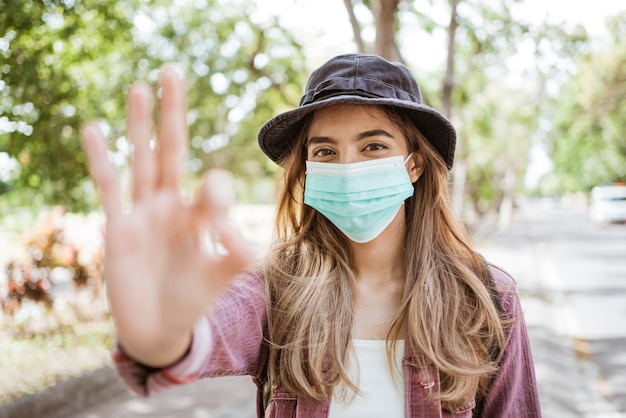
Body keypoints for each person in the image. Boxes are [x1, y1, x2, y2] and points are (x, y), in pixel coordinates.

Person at [81, 54, 541, 417]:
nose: (348, 166)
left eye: (373, 146)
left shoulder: (488, 298)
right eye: (325, 151)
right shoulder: (275, 289)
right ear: (307, 171)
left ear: (414, 164)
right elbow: (197, 338)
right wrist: (158, 334)